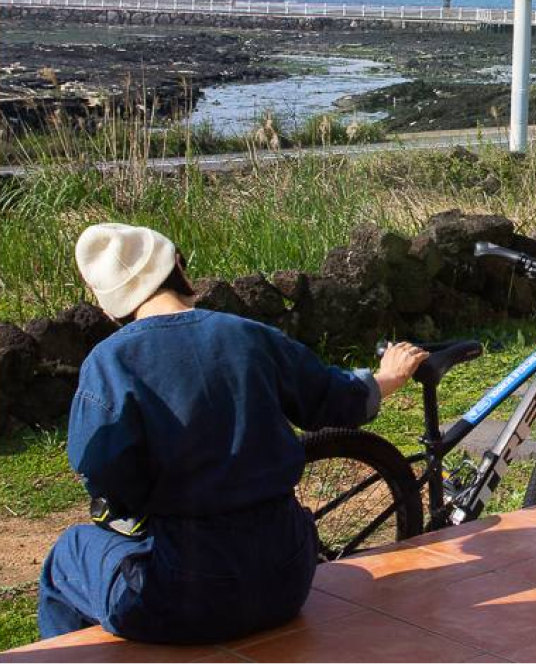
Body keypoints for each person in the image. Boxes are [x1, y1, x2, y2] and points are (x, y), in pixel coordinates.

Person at [36, 223, 429, 644]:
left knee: (67, 556)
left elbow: (102, 474)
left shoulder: (110, 362)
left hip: (184, 596)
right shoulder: (248, 335)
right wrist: (387, 378)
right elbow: (331, 398)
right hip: (287, 580)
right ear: (178, 266)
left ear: (110, 305)